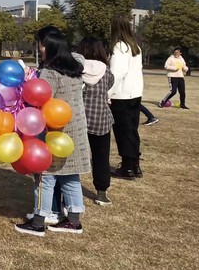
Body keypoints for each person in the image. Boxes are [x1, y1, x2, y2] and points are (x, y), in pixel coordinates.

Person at [16, 32, 91, 236]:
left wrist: (27, 80)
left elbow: (38, 99)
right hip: (75, 129)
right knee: (70, 175)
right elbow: (77, 56)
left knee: (45, 175)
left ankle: (38, 222)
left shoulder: (50, 73)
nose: (39, 49)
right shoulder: (75, 66)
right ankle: (74, 221)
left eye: (41, 45)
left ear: (49, 47)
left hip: (54, 131)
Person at [76, 37, 115, 206]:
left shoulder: (77, 69)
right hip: (101, 119)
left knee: (73, 155)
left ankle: (70, 188)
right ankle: (102, 192)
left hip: (79, 118)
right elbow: (110, 85)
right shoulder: (107, 71)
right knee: (101, 156)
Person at [108, 16, 145, 180]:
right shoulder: (134, 46)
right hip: (134, 93)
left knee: (123, 131)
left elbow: (117, 73)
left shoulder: (120, 47)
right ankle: (134, 164)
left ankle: (127, 166)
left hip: (122, 95)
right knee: (131, 130)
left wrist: (107, 92)